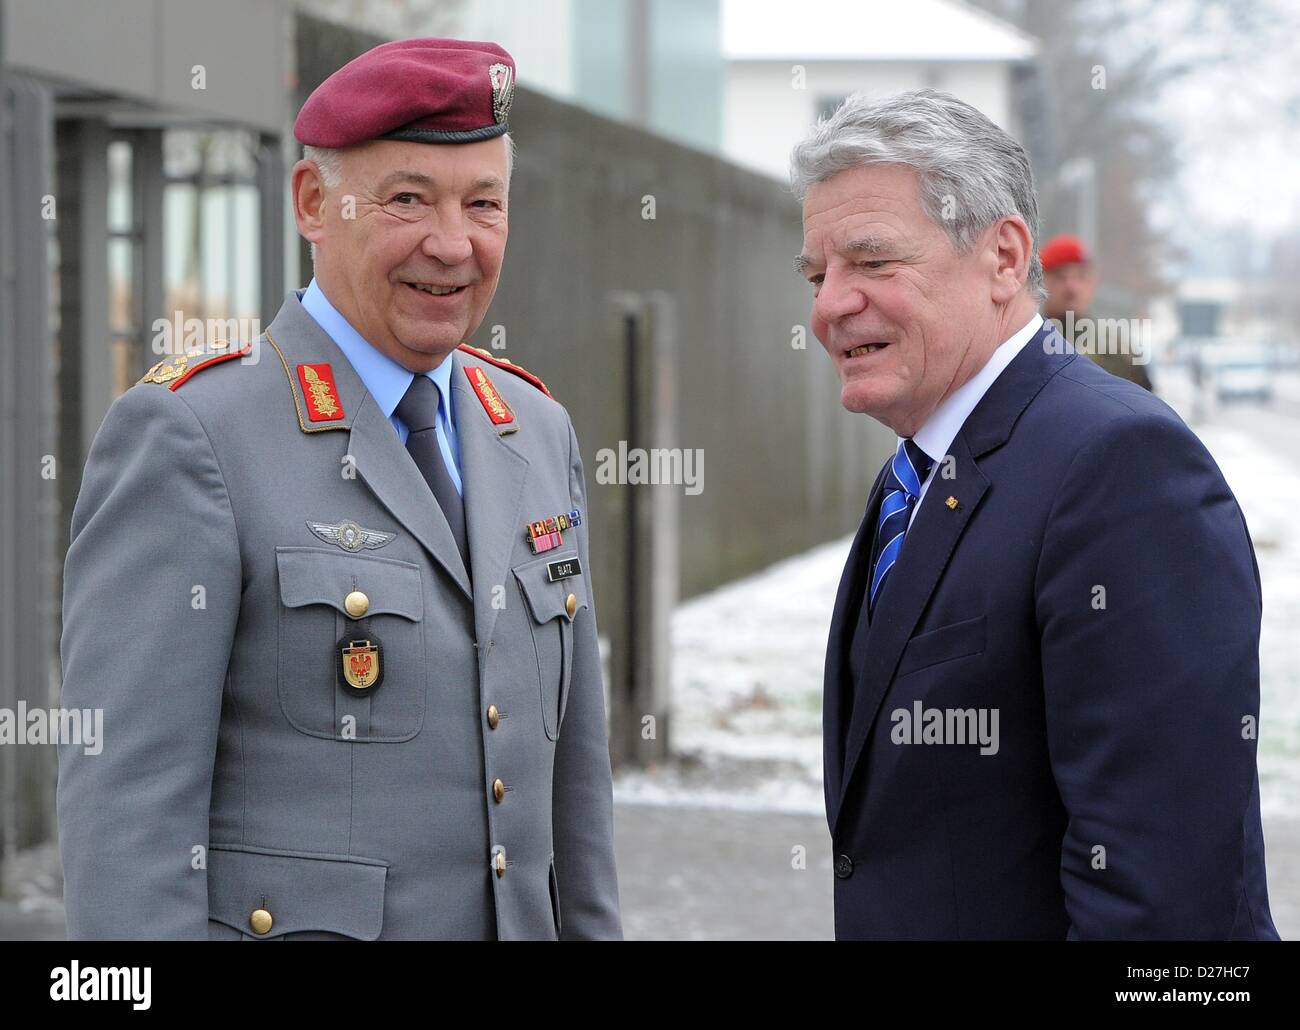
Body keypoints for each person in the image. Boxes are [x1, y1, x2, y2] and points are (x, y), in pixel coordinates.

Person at [57, 38, 622, 940]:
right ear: (314, 204)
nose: (453, 243)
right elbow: (126, 825)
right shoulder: (193, 435)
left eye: (484, 204)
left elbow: (575, 806)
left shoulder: (535, 430)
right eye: (408, 199)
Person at [792, 89, 1277, 940]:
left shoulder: (1119, 468)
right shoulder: (921, 469)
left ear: (1005, 257)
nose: (830, 305)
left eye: (871, 262)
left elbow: (1163, 905)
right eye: (817, 274)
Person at [1040, 233, 1153, 390]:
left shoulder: (1119, 352)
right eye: (1060, 277)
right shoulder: (1024, 344)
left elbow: (1146, 407)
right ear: (1040, 282)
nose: (1072, 288)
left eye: (1081, 276)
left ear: (1093, 283)